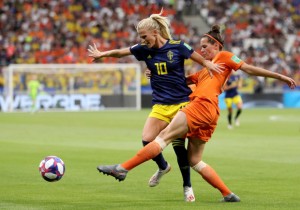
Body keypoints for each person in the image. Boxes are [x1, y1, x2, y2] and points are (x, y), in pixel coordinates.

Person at [96, 24, 297, 202]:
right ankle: (228, 194)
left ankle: (122, 169)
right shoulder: (203, 72)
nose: (201, 51)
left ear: (217, 45)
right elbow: (177, 80)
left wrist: (280, 76)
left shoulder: (225, 57)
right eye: (200, 47)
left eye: (205, 46)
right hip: (211, 115)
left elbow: (249, 69)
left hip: (201, 106)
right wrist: (155, 72)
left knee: (162, 138)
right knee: (194, 160)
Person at [88, 10, 223, 202]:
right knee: (147, 139)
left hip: (181, 104)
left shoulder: (177, 46)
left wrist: (208, 65)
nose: (143, 40)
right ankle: (162, 167)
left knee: (179, 148)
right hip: (160, 104)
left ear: (155, 32)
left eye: (144, 37)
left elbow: (197, 58)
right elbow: (121, 52)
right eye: (140, 37)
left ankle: (187, 187)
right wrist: (102, 54)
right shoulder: (144, 49)